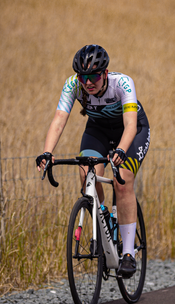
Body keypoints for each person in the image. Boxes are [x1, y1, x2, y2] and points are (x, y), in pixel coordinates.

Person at [36, 44, 150, 277]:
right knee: (85, 172)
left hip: (131, 131)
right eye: (83, 77)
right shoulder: (72, 85)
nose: (88, 82)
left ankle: (128, 253)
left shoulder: (122, 83)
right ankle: (104, 221)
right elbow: (59, 119)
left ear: (105, 74)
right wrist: (47, 152)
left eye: (94, 76)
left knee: (122, 180)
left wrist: (120, 150)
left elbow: (129, 125)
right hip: (98, 130)